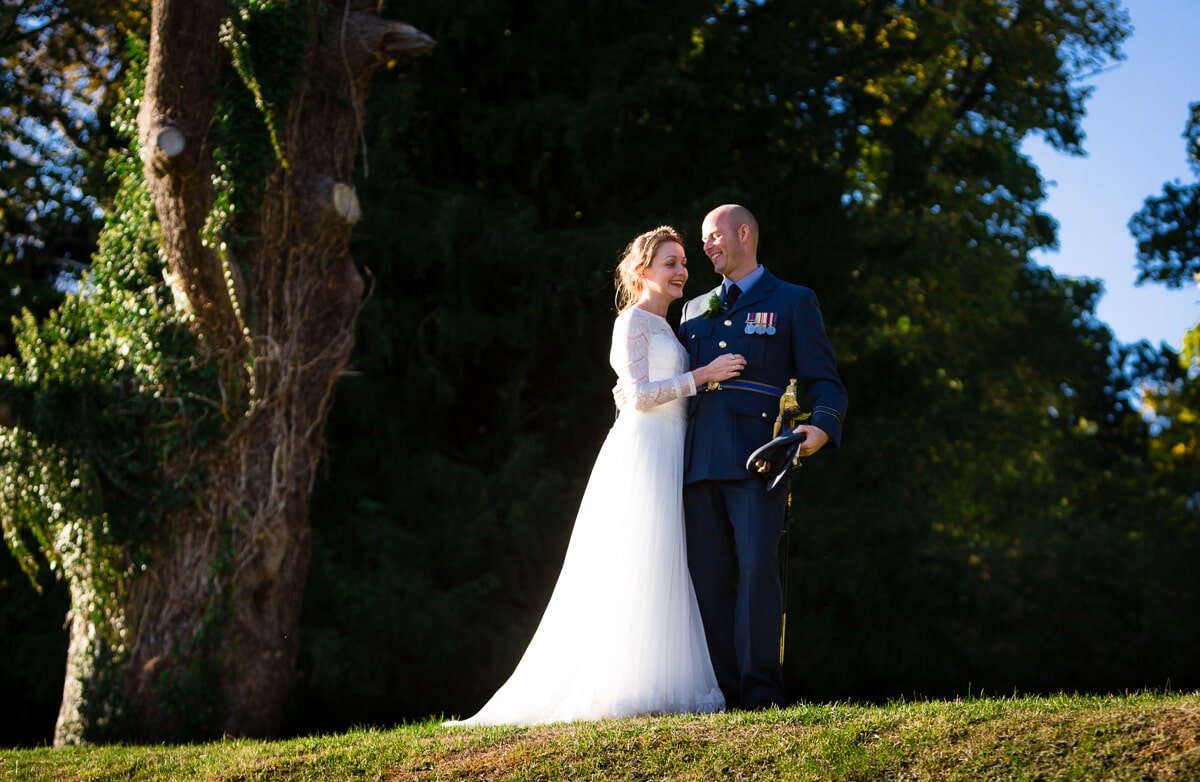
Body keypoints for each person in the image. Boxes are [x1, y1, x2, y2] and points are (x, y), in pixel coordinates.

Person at [446, 226, 746, 726]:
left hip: (672, 451)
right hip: (644, 453)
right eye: (670, 263)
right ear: (642, 270)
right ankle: (622, 682)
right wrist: (703, 375)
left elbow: (635, 393)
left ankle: (658, 679)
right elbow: (639, 395)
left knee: (665, 560)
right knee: (639, 557)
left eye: (684, 263)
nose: (682, 272)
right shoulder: (632, 322)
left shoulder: (669, 328)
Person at [679, 204, 847, 711]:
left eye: (713, 236)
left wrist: (820, 426)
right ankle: (723, 696)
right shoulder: (692, 309)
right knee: (708, 581)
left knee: (756, 573)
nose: (706, 247)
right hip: (696, 461)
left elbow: (824, 382)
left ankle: (759, 697)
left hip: (759, 459)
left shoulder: (794, 300)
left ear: (744, 233)